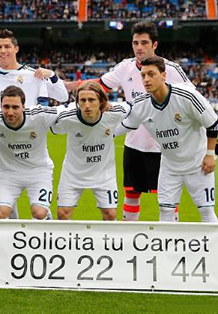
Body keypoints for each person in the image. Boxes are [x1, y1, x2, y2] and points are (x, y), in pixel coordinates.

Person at [67, 22, 193, 221]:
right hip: (134, 143)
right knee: (131, 194)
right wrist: (63, 85)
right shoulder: (125, 67)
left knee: (168, 198)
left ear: (155, 44)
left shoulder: (171, 69)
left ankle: (170, 240)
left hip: (165, 145)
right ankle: (128, 239)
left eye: (144, 42)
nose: (139, 47)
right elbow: (98, 85)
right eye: (135, 43)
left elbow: (192, 98)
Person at [119, 57, 218, 222]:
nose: (146, 79)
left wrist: (210, 154)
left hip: (197, 164)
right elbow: (125, 125)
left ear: (164, 75)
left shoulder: (187, 95)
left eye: (151, 74)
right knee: (165, 212)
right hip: (169, 167)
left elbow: (212, 122)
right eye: (143, 75)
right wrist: (102, 133)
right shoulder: (142, 104)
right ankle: (171, 247)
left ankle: (215, 248)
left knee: (206, 211)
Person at [0, 85, 64, 220]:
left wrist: (102, 107)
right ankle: (7, 241)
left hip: (38, 171)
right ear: (0, 106)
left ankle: (46, 216)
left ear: (24, 107)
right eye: (6, 107)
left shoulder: (39, 115)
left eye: (15, 107)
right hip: (7, 173)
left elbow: (66, 110)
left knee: (39, 213)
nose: (10, 112)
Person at [53, 82, 130, 221]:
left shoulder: (115, 113)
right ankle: (67, 243)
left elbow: (134, 107)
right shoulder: (67, 119)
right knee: (63, 214)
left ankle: (106, 242)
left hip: (104, 174)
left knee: (111, 215)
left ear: (101, 101)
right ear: (77, 102)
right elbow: (52, 127)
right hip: (72, 174)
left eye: (92, 100)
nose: (87, 105)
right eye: (82, 100)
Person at [0, 28, 69, 109]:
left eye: (7, 46)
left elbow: (63, 96)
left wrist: (52, 75)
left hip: (23, 131)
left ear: (16, 49)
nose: (3, 51)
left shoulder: (33, 75)